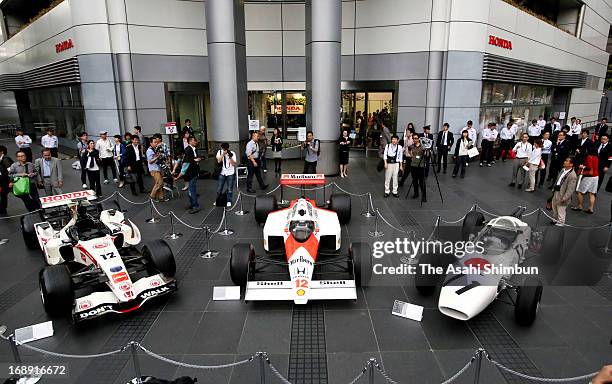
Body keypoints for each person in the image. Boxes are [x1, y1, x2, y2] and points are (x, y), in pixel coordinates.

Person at [551, 157, 577, 226]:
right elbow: (558, 179)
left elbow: (570, 189)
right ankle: (554, 219)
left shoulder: (572, 176)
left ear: (571, 164)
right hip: (557, 191)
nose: (564, 162)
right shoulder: (563, 170)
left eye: (567, 161)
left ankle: (560, 222)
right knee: (554, 207)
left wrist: (565, 198)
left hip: (563, 195)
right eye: (565, 160)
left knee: (561, 209)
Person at [573, 147, 599, 214]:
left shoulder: (589, 157)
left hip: (589, 177)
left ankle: (579, 206)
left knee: (579, 191)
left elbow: (589, 167)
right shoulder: (596, 157)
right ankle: (591, 208)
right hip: (596, 176)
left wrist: (582, 167)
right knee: (592, 193)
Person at [180, 136, 201, 213]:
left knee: (191, 189)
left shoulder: (194, 149)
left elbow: (192, 159)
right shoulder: (188, 150)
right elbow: (186, 162)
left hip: (194, 172)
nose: (196, 141)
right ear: (190, 141)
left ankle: (194, 204)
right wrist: (180, 174)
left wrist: (197, 159)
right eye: (194, 140)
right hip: (191, 172)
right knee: (192, 190)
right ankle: (195, 205)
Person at [215, 142, 236, 207]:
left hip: (230, 173)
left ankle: (229, 201)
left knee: (230, 189)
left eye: (226, 149)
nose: (225, 150)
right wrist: (223, 154)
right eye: (224, 149)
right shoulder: (219, 152)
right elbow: (218, 161)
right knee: (219, 188)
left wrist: (230, 157)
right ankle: (218, 200)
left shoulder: (232, 153)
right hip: (222, 172)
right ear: (222, 148)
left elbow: (233, 164)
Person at [146, 137, 166, 203]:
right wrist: (157, 157)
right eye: (154, 142)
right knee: (159, 183)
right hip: (153, 169)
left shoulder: (154, 149)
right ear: (151, 143)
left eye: (156, 142)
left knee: (160, 183)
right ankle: (152, 196)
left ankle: (161, 197)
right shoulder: (149, 151)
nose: (156, 143)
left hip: (157, 168)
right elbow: (150, 161)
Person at [409, 134, 426, 201]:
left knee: (421, 182)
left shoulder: (423, 147)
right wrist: (411, 156)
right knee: (414, 181)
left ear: (419, 139)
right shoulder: (411, 146)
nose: (414, 140)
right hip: (413, 165)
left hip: (421, 166)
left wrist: (427, 152)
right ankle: (416, 193)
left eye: (416, 138)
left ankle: (424, 196)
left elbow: (427, 155)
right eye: (413, 138)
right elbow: (409, 151)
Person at [0, 146, 13, 214]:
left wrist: (10, 181)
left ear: (1, 152)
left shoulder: (5, 159)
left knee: (3, 194)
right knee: (3, 194)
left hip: (4, 179)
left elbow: (10, 171)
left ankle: (3, 209)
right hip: (1, 179)